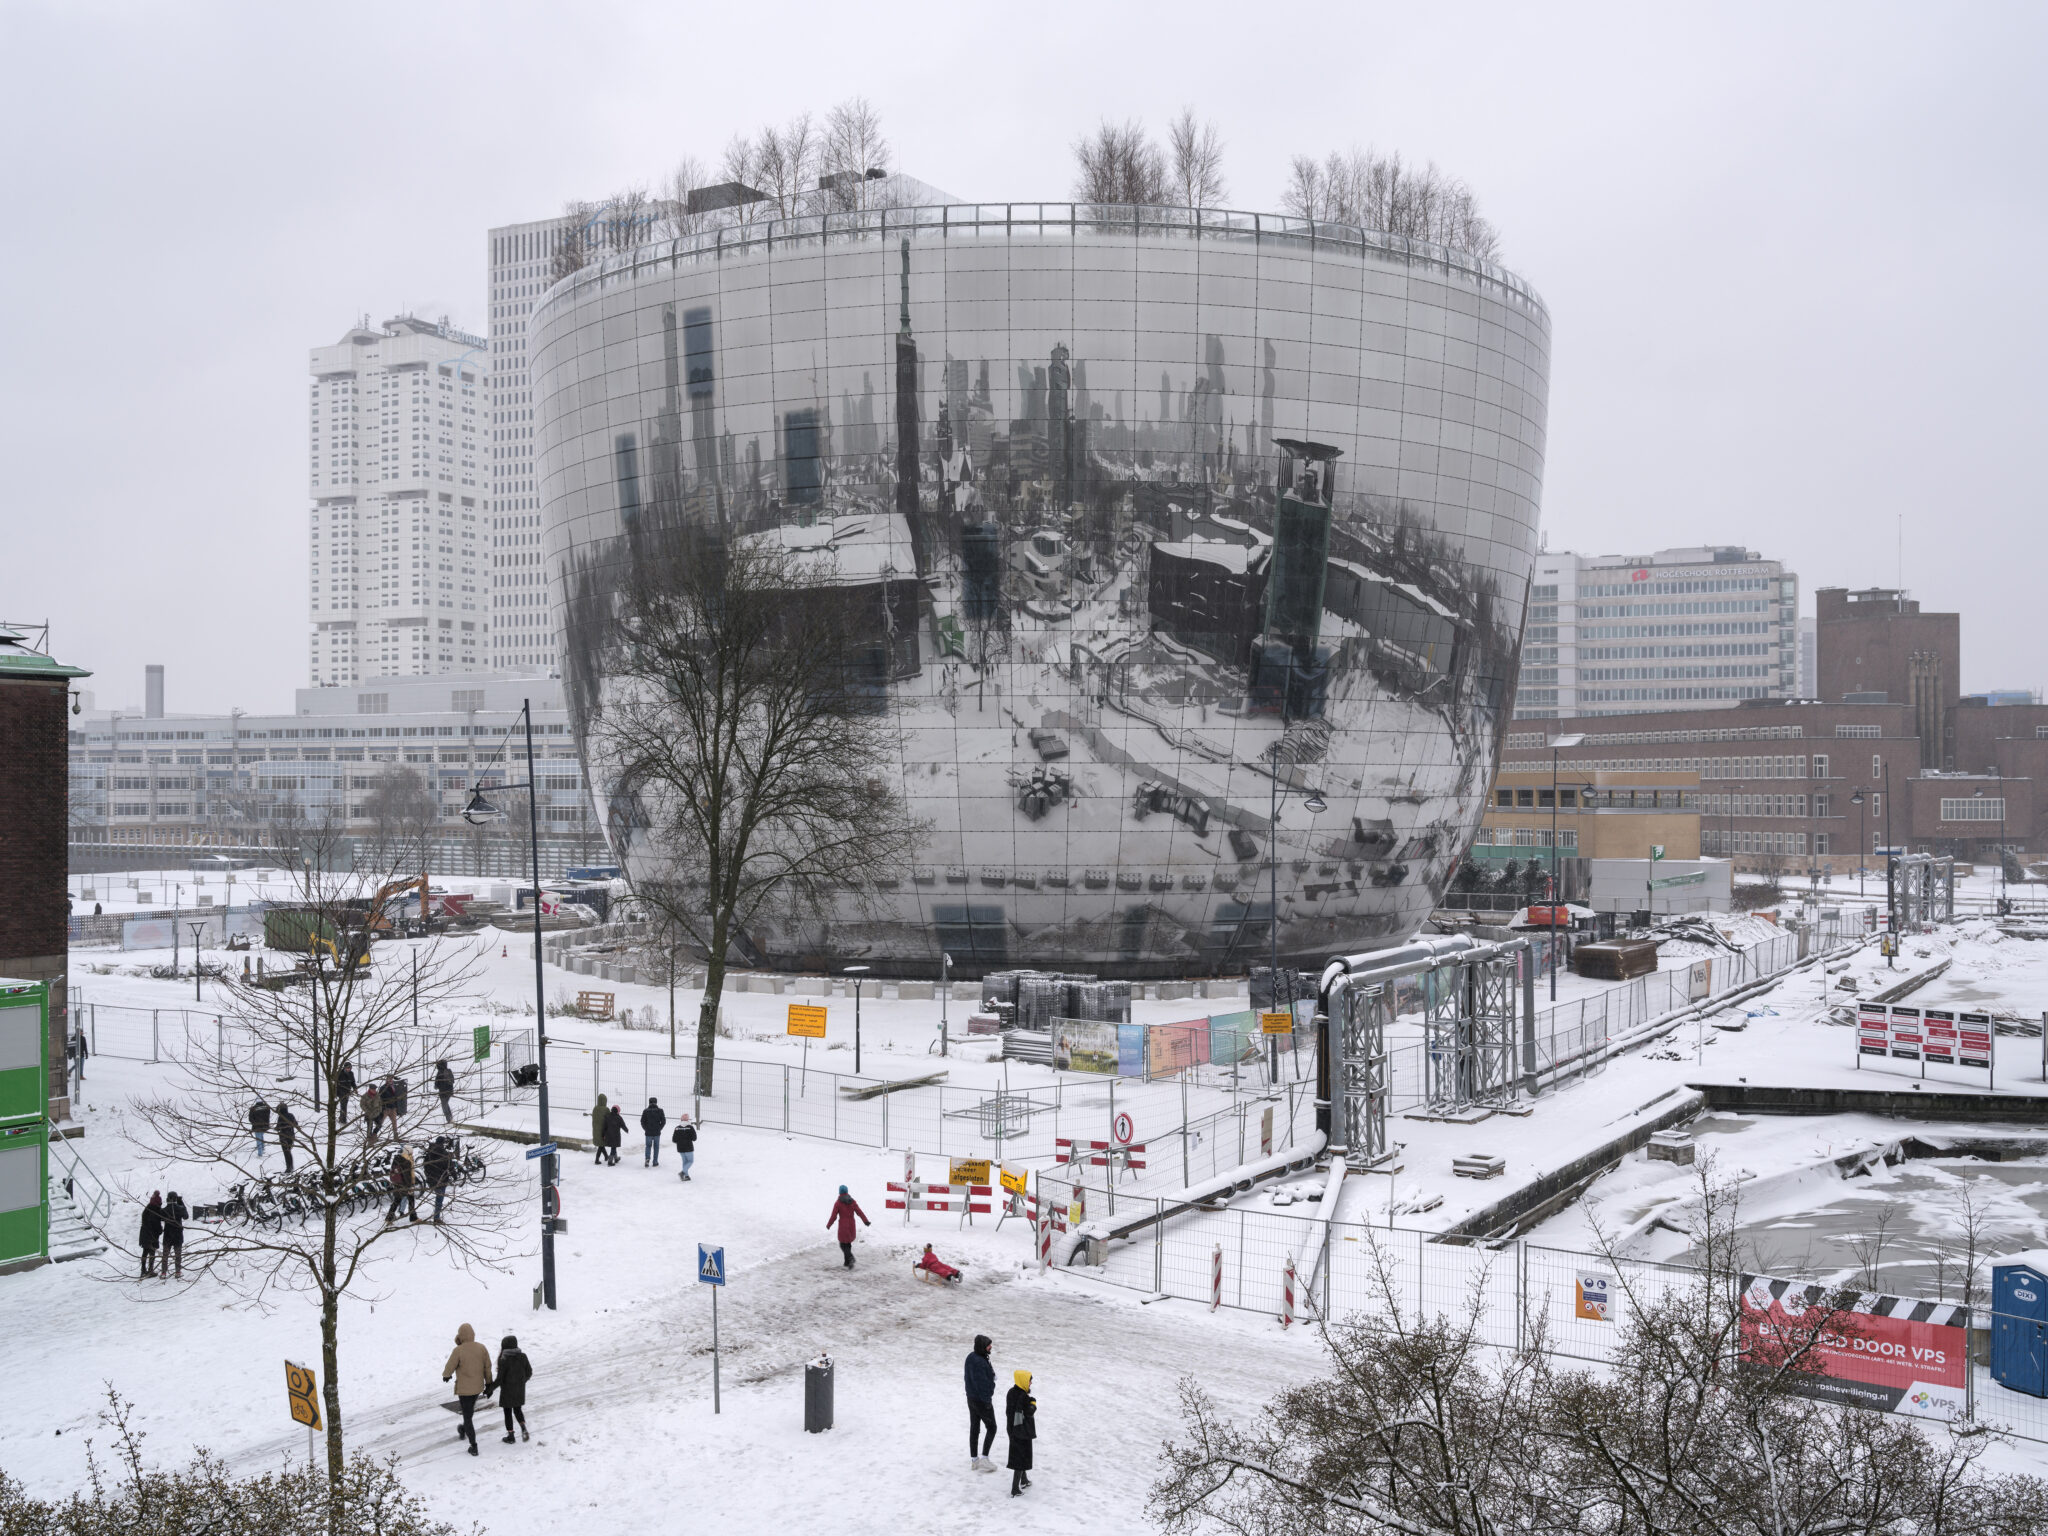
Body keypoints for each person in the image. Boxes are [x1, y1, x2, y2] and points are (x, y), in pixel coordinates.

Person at [441, 1323, 493, 1457]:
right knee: (468, 1413)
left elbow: (450, 1365)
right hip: (477, 1388)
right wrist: (489, 1384)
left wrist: (446, 1375)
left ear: (461, 1335)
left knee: (467, 1416)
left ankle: (473, 1445)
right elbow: (487, 1367)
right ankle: (463, 1429)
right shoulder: (482, 1348)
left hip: (464, 1390)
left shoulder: (458, 1350)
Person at [490, 1334, 533, 1443]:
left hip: (507, 1391)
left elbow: (499, 1379)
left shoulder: (504, 1359)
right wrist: (522, 1382)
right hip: (519, 1389)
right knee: (518, 1410)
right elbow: (529, 1372)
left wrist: (490, 1388)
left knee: (507, 1412)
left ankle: (511, 1436)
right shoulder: (523, 1356)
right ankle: (523, 1427)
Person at [965, 1334, 997, 1472]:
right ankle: (984, 1458)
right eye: (988, 1345)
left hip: (971, 1398)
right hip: (982, 1401)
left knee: (975, 1428)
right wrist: (988, 1398)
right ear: (982, 1347)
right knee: (992, 1427)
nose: (990, 1347)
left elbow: (967, 1378)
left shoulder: (971, 1357)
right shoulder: (980, 1362)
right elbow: (983, 1385)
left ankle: (974, 1460)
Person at [1005, 1369, 1036, 1497]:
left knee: (1021, 1455)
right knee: (1020, 1458)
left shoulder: (1011, 1392)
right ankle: (1015, 1489)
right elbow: (1029, 1411)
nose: (1030, 1383)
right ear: (1023, 1381)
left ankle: (1024, 1480)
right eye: (1029, 1381)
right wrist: (1033, 1403)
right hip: (1021, 1432)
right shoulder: (1022, 1396)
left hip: (1012, 1429)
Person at [825, 1185, 870, 1269]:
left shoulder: (838, 1203)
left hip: (843, 1226)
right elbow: (859, 1212)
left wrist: (829, 1224)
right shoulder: (852, 1201)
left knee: (842, 1244)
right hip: (851, 1225)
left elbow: (833, 1216)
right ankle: (847, 1263)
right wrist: (866, 1221)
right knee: (848, 1244)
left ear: (840, 1192)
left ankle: (850, 1258)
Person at [423, 1135, 454, 1223]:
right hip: (441, 1178)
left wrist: (428, 1175)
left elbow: (425, 1165)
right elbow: (450, 1166)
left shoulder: (429, 1152)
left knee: (438, 1197)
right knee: (439, 1198)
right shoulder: (444, 1153)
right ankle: (436, 1217)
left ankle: (437, 1216)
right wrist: (454, 1176)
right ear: (443, 1143)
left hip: (431, 1178)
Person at [385, 1144, 418, 1224]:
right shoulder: (406, 1161)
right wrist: (410, 1186)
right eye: (411, 1152)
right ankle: (413, 1218)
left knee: (397, 1199)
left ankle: (389, 1218)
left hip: (397, 1183)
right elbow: (407, 1175)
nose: (412, 1154)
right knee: (410, 1199)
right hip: (405, 1184)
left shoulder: (397, 1158)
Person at [161, 1191, 187, 1279]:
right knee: (178, 1254)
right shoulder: (180, 1208)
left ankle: (163, 1272)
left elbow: (159, 1217)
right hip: (178, 1234)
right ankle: (178, 1271)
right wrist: (181, 1203)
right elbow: (186, 1216)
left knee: (165, 1255)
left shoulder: (165, 1210)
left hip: (168, 1234)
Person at [138, 1191, 163, 1279]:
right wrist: (160, 1230)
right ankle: (150, 1270)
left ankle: (143, 1270)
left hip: (144, 1233)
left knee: (145, 1251)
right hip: (152, 1234)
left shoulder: (147, 1208)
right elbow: (156, 1224)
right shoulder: (156, 1210)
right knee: (152, 1252)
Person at [639, 1097, 666, 1167]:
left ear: (649, 1102)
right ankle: (655, 1161)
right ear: (656, 1102)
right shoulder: (660, 1111)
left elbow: (642, 1121)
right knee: (656, 1147)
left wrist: (645, 1129)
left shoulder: (645, 1111)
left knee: (648, 1146)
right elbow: (663, 1121)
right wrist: (660, 1128)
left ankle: (647, 1159)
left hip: (648, 1132)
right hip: (657, 1132)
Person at [275, 1100, 299, 1174]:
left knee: (286, 1152)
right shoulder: (291, 1115)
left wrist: (276, 1128)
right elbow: (296, 1124)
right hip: (291, 1135)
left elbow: (278, 1127)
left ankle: (289, 1167)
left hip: (283, 1136)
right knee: (289, 1151)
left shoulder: (280, 1117)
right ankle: (291, 1166)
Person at [672, 1115, 697, 1182]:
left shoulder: (677, 1128)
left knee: (685, 1161)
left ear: (681, 1119)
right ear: (688, 1120)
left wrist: (680, 1141)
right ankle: (683, 1172)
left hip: (680, 1148)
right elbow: (694, 1138)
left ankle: (686, 1176)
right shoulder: (690, 1127)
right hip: (688, 1147)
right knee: (690, 1161)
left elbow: (674, 1139)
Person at [589, 1093, 610, 1165]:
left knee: (601, 1145)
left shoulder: (595, 1109)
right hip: (603, 1131)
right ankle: (596, 1159)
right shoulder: (606, 1109)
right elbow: (609, 1119)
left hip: (595, 1130)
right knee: (601, 1145)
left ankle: (606, 1156)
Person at [433, 1059, 456, 1124]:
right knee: (445, 1104)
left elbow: (437, 1083)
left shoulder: (440, 1072)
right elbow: (452, 1081)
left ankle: (449, 1119)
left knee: (444, 1105)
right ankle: (450, 1118)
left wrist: (436, 1086)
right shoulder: (449, 1071)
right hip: (449, 1091)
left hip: (443, 1092)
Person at [335, 1060, 357, 1125]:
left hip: (347, 1091)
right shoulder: (339, 1073)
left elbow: (353, 1082)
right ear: (344, 1068)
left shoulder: (351, 1074)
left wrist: (355, 1088)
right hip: (341, 1091)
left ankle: (342, 1118)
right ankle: (343, 1120)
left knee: (344, 1105)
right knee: (343, 1105)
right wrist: (335, 1093)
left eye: (350, 1068)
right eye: (347, 1068)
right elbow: (335, 1084)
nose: (349, 1069)